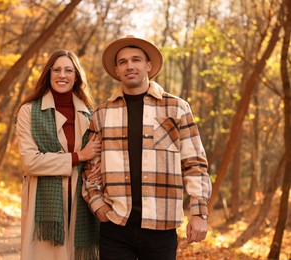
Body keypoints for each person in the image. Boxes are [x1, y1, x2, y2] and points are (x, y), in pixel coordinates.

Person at [82, 35, 212, 260]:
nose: (129, 65)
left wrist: (198, 213)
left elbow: (195, 164)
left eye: (136, 60)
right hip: (115, 225)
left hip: (161, 226)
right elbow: (89, 168)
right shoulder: (102, 114)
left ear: (148, 66)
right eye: (123, 62)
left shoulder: (176, 108)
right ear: (117, 69)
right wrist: (98, 205)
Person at [16, 49, 101, 260]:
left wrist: (98, 167)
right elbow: (31, 162)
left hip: (83, 201)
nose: (62, 75)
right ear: (49, 74)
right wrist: (78, 157)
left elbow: (99, 157)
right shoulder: (29, 111)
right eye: (57, 70)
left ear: (76, 77)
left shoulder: (91, 114)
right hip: (43, 204)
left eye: (68, 70)